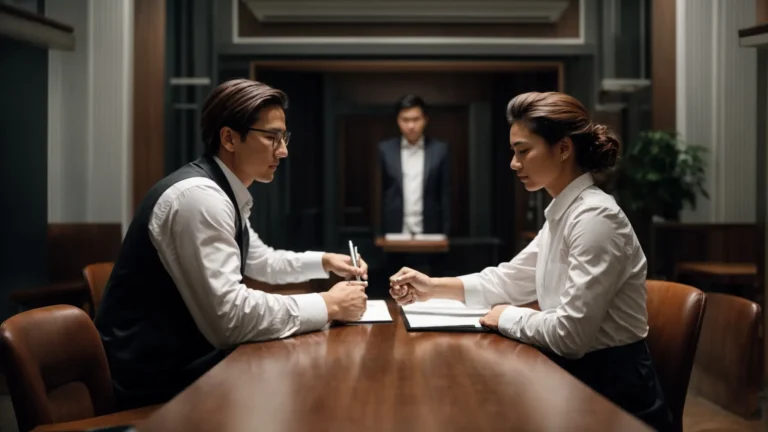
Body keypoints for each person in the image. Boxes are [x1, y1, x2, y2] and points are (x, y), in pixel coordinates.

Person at [388, 92, 673, 431]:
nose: (514, 163)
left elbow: (570, 336)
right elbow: (508, 280)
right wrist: (432, 287)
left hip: (613, 396)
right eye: (514, 152)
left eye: (523, 151)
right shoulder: (565, 213)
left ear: (564, 148)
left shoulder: (595, 217)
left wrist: (508, 315)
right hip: (580, 377)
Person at [95, 79, 369, 410]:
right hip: (153, 382)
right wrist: (328, 304)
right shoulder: (199, 198)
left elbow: (261, 262)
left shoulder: (221, 190)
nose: (282, 151)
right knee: (304, 396)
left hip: (183, 364)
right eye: (271, 138)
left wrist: (325, 261)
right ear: (229, 138)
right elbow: (229, 320)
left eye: (284, 138)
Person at [378, 94, 450, 236]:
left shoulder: (440, 150)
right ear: (398, 120)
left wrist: (445, 232)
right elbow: (379, 194)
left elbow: (445, 195)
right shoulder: (384, 149)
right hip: (393, 230)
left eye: (416, 119)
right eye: (405, 120)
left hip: (430, 230)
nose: (411, 125)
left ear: (425, 120)